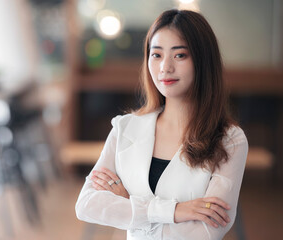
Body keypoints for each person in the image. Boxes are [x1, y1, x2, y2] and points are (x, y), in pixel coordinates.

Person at [75, 9, 248, 240]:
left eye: (180, 55)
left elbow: (208, 230)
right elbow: (87, 205)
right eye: (156, 55)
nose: (165, 67)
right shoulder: (125, 128)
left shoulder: (230, 139)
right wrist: (175, 211)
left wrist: (129, 207)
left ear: (203, 61)